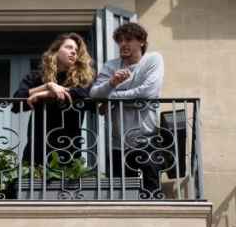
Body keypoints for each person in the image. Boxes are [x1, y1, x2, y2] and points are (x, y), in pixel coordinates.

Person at [90, 21, 167, 197]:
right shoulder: (111, 66)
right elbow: (94, 94)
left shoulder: (153, 59)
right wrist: (112, 82)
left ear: (141, 42)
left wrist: (112, 97)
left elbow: (149, 91)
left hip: (147, 139)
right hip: (118, 144)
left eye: (129, 39)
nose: (123, 44)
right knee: (120, 197)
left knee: (152, 192)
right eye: (120, 41)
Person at [14, 33, 97, 192]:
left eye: (76, 49)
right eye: (68, 47)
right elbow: (17, 101)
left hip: (69, 146)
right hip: (38, 146)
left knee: (67, 198)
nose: (73, 52)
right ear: (55, 51)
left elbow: (86, 95)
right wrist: (47, 86)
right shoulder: (37, 77)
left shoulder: (83, 78)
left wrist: (45, 95)